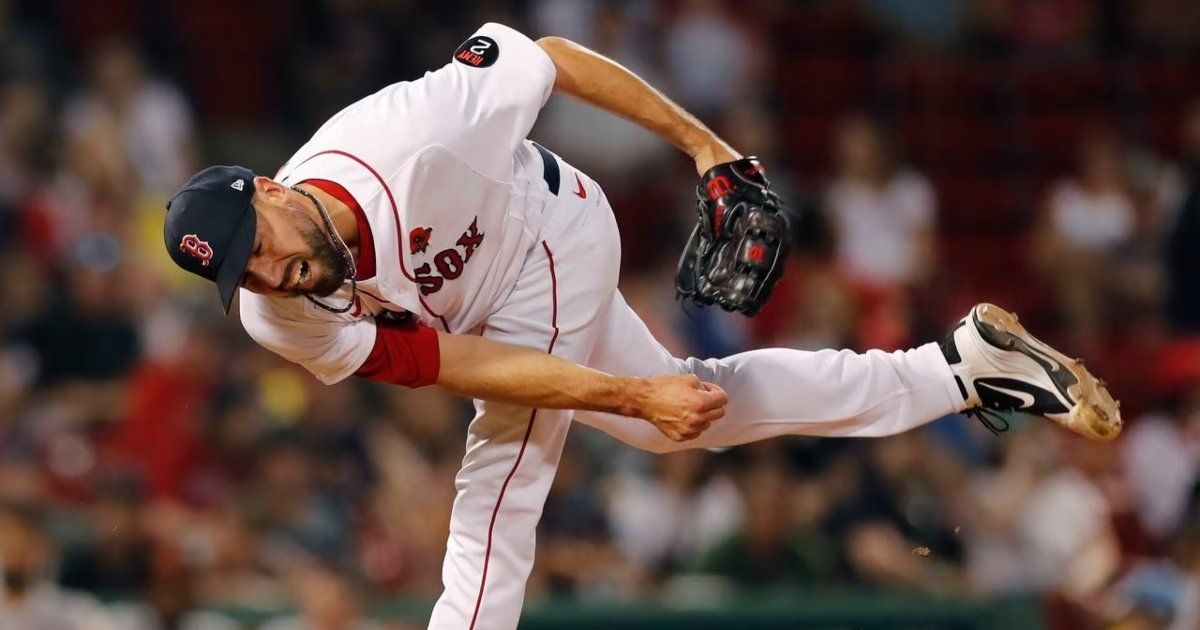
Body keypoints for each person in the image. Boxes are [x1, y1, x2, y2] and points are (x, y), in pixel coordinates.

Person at [162, 23, 1122, 630]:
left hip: (550, 231)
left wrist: (705, 148)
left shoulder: (414, 134)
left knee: (502, 472)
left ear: (273, 186)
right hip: (483, 311)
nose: (265, 266)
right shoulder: (273, 313)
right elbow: (451, 360)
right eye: (241, 266)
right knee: (690, 408)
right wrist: (631, 395)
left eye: (257, 236)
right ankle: (959, 368)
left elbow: (551, 58)